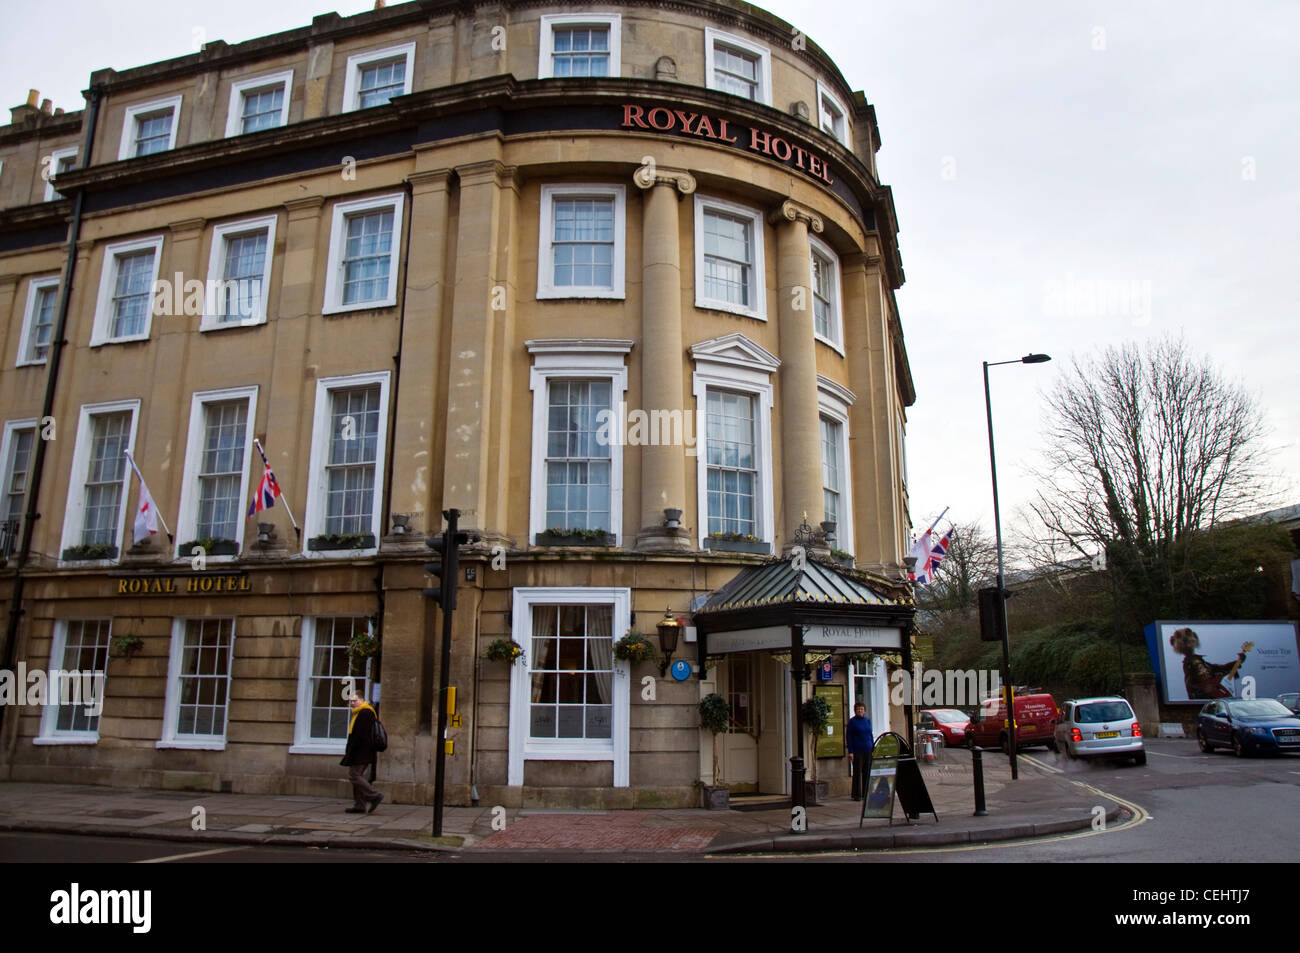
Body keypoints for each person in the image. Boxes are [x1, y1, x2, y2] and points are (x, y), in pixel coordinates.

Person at [1169, 628, 1251, 700]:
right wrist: (1203, 689)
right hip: (1207, 697)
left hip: (1212, 695)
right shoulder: (1190, 663)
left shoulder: (1199, 662)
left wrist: (1238, 662)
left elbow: (1218, 669)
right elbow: (1191, 685)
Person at [341, 693, 383, 813]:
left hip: (361, 752)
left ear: (362, 700)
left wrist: (352, 750)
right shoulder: (360, 712)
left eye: (355, 700)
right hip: (361, 751)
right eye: (350, 701)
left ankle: (374, 795)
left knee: (354, 775)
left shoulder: (365, 712)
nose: (352, 703)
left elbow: (360, 735)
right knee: (357, 776)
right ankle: (359, 805)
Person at [846, 702, 874, 801]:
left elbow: (870, 734)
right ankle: (856, 794)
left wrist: (873, 747)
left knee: (867, 772)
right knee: (857, 773)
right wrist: (851, 751)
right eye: (858, 709)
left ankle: (866, 793)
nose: (860, 710)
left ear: (864, 710)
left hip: (868, 749)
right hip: (857, 751)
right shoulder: (852, 722)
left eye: (862, 709)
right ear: (855, 710)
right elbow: (849, 737)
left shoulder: (867, 720)